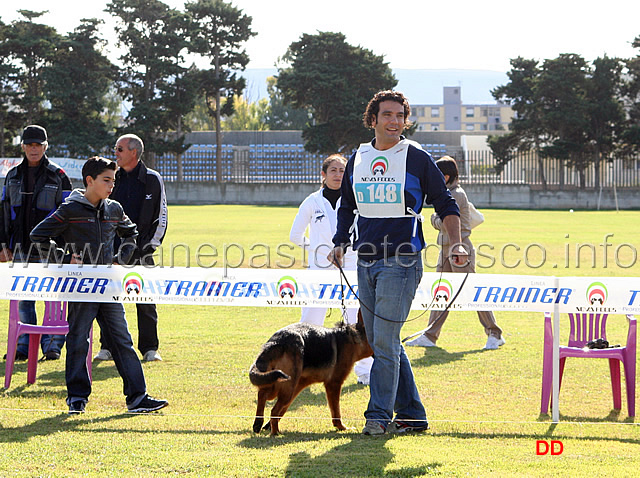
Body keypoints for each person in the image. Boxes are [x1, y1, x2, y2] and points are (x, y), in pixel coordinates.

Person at [328, 90, 468, 436]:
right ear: (372, 119)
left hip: (402, 260)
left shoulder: (416, 157)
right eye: (387, 115)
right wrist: (340, 241)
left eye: (400, 115)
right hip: (366, 259)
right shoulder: (358, 157)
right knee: (381, 342)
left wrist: (457, 243)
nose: (394, 121)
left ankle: (377, 416)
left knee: (386, 341)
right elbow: (347, 205)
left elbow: (445, 203)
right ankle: (413, 415)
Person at [30, 156, 168, 414]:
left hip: (109, 289)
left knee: (122, 340)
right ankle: (77, 398)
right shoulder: (70, 209)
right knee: (78, 340)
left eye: (113, 180)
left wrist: (121, 259)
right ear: (89, 181)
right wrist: (64, 258)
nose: (111, 186)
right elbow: (38, 235)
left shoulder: (114, 209)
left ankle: (137, 398)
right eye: (106, 180)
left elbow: (132, 235)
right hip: (80, 289)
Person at [289, 154, 373, 385]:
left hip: (351, 266)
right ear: (323, 175)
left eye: (342, 171)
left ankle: (365, 372)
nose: (338, 175)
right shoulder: (312, 201)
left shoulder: (357, 199)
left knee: (356, 321)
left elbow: (366, 231)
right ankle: (302, 369)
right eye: (333, 171)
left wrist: (347, 250)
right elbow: (295, 236)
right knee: (311, 320)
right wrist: (319, 250)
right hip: (320, 269)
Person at [406, 156, 505, 350]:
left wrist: (434, 218)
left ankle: (494, 333)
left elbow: (443, 222)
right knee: (441, 293)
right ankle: (430, 335)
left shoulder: (456, 195)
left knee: (472, 291)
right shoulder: (448, 193)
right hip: (446, 249)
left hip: (459, 248)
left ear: (445, 176)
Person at [0, 125, 72, 361]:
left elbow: (69, 213)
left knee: (53, 298)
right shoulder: (12, 176)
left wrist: (65, 250)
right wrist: (2, 244)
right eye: (29, 144)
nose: (33, 149)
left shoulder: (59, 175)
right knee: (23, 298)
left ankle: (52, 346)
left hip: (51, 250)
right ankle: (23, 346)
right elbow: (3, 211)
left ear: (45, 146)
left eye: (38, 145)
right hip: (18, 247)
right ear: (22, 146)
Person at [94, 134, 168, 363]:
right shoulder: (110, 177)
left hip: (142, 252)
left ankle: (149, 348)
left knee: (146, 301)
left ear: (133, 152)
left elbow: (161, 218)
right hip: (110, 253)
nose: (115, 153)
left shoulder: (153, 179)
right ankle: (107, 346)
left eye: (119, 149)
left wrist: (146, 249)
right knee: (107, 299)